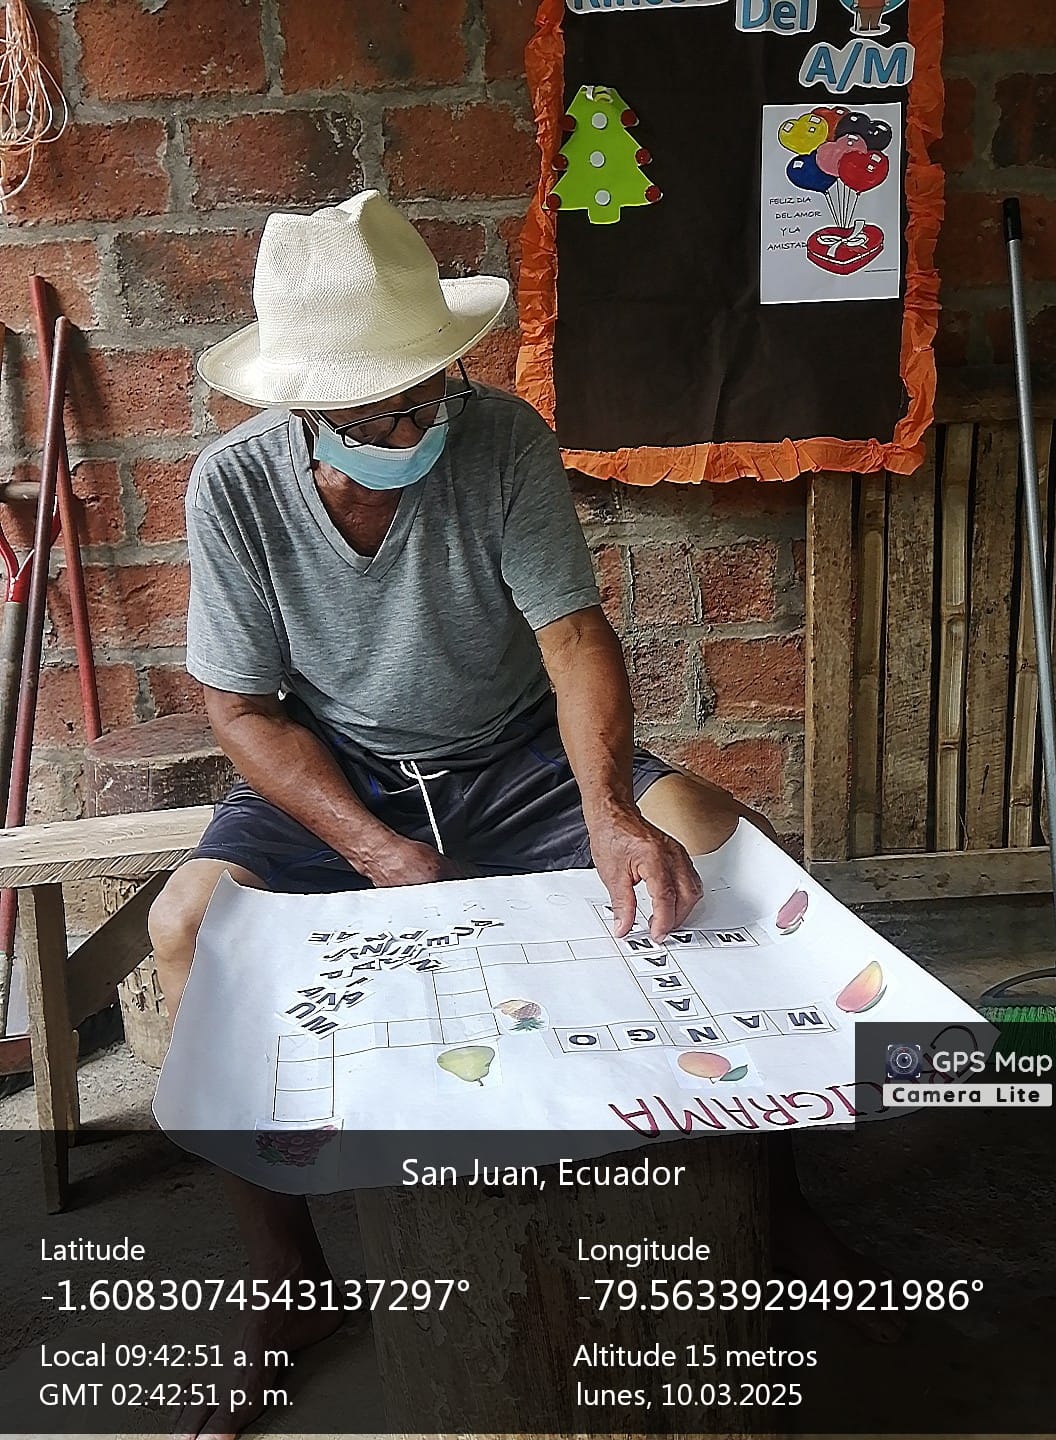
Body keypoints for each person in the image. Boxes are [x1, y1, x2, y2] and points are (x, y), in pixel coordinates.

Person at [149, 191, 888, 1440]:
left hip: (518, 754)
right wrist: (375, 849)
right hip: (343, 770)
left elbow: (574, 638)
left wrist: (607, 808)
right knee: (190, 928)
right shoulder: (233, 488)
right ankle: (288, 1278)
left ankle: (777, 1196)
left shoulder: (499, 439)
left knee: (728, 850)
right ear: (307, 411)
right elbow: (240, 710)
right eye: (381, 414)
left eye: (430, 391)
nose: (417, 427)